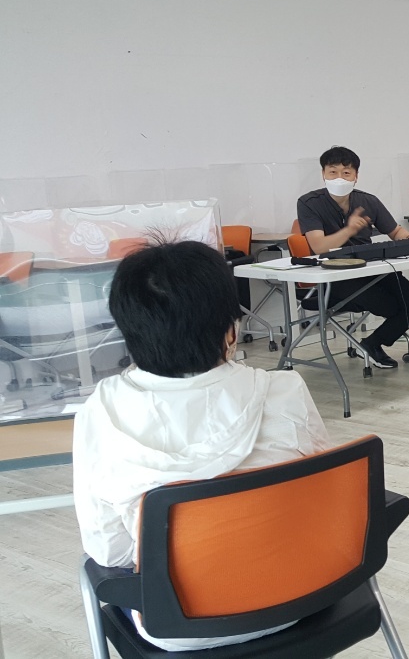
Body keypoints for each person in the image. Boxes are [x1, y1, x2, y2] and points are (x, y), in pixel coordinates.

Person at [73, 241, 331, 652]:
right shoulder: (285, 391)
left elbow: (110, 552)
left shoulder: (100, 414)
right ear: (231, 330)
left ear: (129, 332)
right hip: (302, 596)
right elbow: (319, 496)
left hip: (179, 628)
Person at [297, 146, 409, 367]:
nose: (339, 178)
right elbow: (318, 246)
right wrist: (349, 230)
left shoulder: (369, 201)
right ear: (323, 174)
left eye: (346, 173)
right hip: (337, 276)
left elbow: (396, 232)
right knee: (394, 308)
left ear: (356, 176)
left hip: (373, 268)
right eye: (333, 172)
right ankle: (408, 321)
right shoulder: (309, 203)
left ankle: (371, 344)